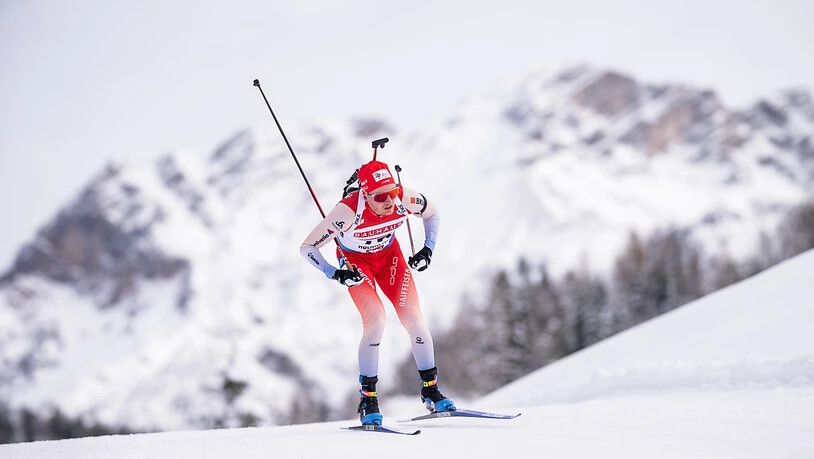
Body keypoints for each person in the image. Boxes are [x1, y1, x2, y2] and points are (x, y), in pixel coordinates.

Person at [300, 160, 456, 425]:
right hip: (356, 263)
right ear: (365, 195)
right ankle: (368, 399)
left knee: (415, 320)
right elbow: (308, 248)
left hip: (389, 258)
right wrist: (335, 272)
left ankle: (431, 390)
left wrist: (427, 248)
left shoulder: (403, 198)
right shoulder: (347, 212)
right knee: (376, 321)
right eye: (381, 196)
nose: (389, 201)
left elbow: (432, 213)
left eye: (392, 192)